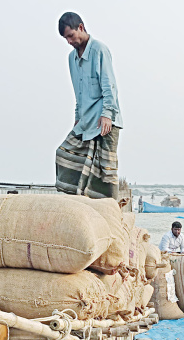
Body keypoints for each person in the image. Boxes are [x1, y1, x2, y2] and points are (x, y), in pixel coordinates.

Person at [54, 12, 123, 199]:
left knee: (104, 172)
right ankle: (77, 203)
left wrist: (108, 114)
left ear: (81, 28)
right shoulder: (71, 58)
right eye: (65, 38)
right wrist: (77, 119)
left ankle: (110, 212)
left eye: (70, 36)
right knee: (63, 154)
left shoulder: (99, 50)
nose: (68, 41)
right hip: (86, 121)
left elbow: (110, 86)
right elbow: (79, 93)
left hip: (105, 119)